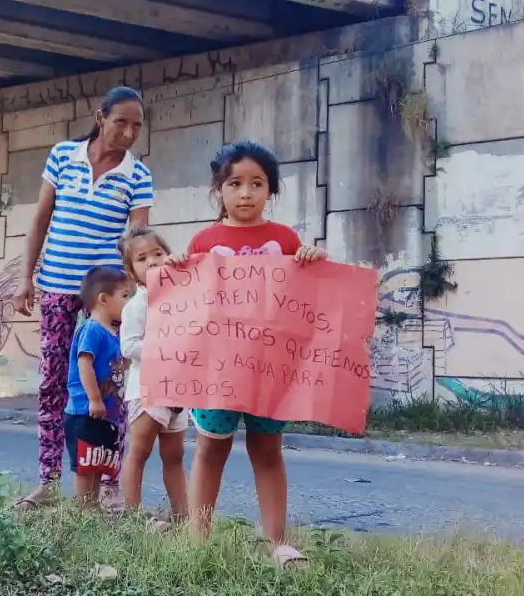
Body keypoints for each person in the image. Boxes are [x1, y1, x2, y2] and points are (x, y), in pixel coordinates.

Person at [166, 141, 328, 567]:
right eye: (235, 183)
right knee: (210, 450)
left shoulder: (286, 240)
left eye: (257, 184)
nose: (245, 193)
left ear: (270, 192)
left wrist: (311, 259)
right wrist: (182, 266)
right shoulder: (204, 241)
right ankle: (197, 542)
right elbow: (190, 304)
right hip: (219, 372)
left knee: (268, 450)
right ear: (219, 189)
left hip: (271, 372)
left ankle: (277, 543)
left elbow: (308, 292)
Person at [11, 86, 154, 513]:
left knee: (111, 387)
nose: (129, 132)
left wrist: (142, 294)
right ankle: (48, 481)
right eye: (121, 122)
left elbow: (139, 241)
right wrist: (25, 278)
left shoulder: (138, 175)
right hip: (56, 285)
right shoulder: (62, 156)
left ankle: (109, 485)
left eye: (137, 126)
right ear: (99, 117)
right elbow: (40, 220)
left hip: (108, 299)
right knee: (54, 384)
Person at [117, 227, 187, 530]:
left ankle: (183, 516)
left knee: (175, 454)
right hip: (147, 388)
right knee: (140, 451)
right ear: (132, 272)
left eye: (158, 254)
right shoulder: (137, 305)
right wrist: (162, 345)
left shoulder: (183, 299)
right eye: (143, 259)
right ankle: (132, 515)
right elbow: (128, 346)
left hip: (178, 390)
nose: (154, 262)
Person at [63, 266, 131, 509]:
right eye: (125, 296)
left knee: (96, 462)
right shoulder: (92, 330)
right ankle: (83, 511)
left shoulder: (113, 333)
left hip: (104, 413)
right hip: (85, 411)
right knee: (85, 465)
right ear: (103, 299)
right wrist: (94, 399)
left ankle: (91, 508)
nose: (129, 302)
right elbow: (84, 363)